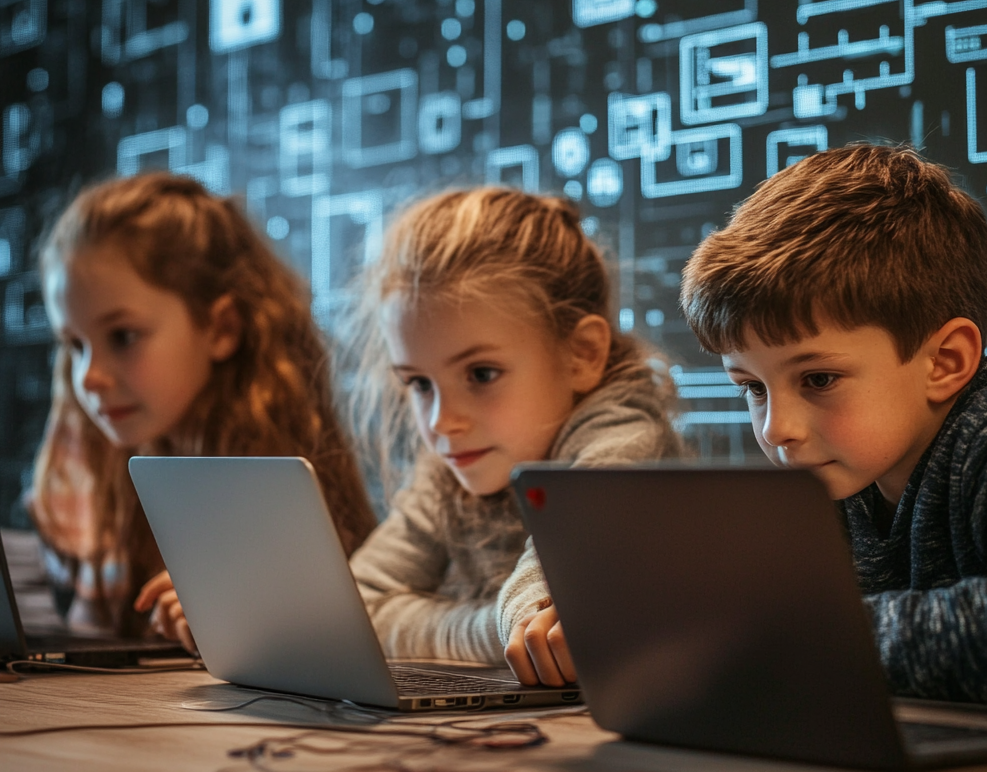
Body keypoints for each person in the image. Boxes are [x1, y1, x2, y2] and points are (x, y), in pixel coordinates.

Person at [680, 144, 987, 706]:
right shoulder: (839, 475)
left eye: (818, 380)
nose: (775, 429)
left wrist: (802, 638)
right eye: (753, 388)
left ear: (945, 362)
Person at [346, 187, 681, 686]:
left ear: (582, 355)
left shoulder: (625, 438)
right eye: (419, 384)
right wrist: (492, 631)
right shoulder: (450, 468)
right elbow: (357, 609)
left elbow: (559, 573)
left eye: (481, 374)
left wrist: (519, 614)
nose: (441, 422)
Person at [30, 172, 377, 648]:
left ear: (221, 329)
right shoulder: (86, 446)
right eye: (74, 345)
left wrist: (240, 614)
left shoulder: (283, 472)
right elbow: (85, 634)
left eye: (123, 337)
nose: (89, 377)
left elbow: (328, 644)